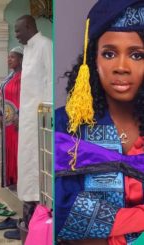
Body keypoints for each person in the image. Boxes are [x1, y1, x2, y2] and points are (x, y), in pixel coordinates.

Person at [55, 0, 144, 244]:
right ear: (92, 60)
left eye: (137, 55)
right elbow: (63, 209)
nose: (121, 67)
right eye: (109, 53)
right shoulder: (66, 124)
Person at [14, 14, 52, 228]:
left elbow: (49, 83)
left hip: (41, 120)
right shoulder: (28, 49)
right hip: (27, 119)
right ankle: (28, 215)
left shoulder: (46, 45)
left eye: (18, 31)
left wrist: (45, 117)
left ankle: (39, 218)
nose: (16, 35)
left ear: (29, 26)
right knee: (27, 161)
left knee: (38, 163)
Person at [0, 46, 23, 188]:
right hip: (7, 123)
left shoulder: (25, 77)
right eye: (8, 57)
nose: (9, 60)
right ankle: (11, 179)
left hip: (18, 122)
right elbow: (1, 97)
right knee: (9, 150)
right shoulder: (9, 77)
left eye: (12, 57)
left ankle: (20, 180)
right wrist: (0, 115)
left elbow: (26, 98)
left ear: (20, 59)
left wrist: (20, 115)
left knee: (18, 150)